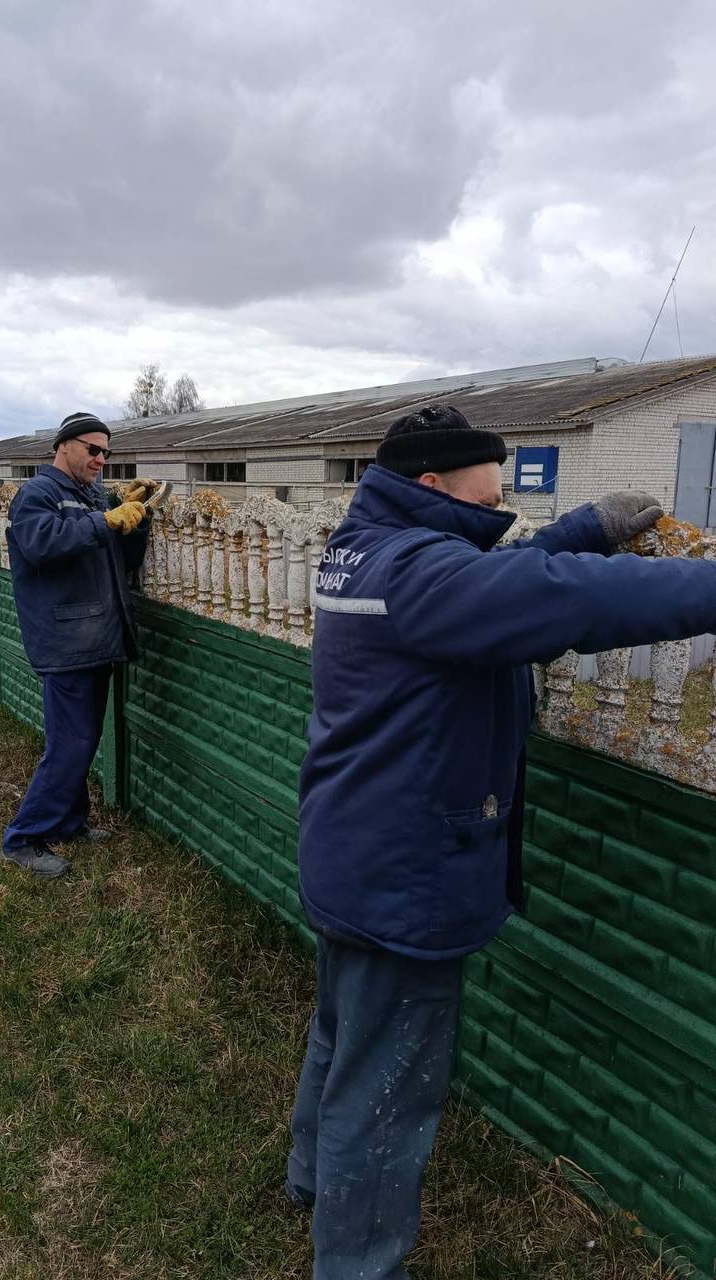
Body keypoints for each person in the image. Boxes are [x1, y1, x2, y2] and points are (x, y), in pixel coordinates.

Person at [287, 403, 716, 1279]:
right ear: (436, 484)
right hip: (404, 870)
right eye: (495, 474)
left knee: (344, 1033)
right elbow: (559, 597)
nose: (507, 488)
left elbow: (495, 575)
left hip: (353, 843)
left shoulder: (369, 547)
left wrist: (581, 528)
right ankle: (357, 1264)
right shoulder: (419, 571)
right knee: (389, 1082)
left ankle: (310, 1181)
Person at [0, 411, 156, 878]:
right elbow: (42, 545)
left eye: (107, 453)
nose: (100, 459)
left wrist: (138, 517)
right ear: (64, 445)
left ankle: (69, 822)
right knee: (70, 742)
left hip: (95, 637)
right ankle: (22, 838)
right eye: (93, 449)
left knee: (82, 739)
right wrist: (106, 521)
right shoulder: (37, 494)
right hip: (64, 639)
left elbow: (123, 556)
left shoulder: (91, 495)